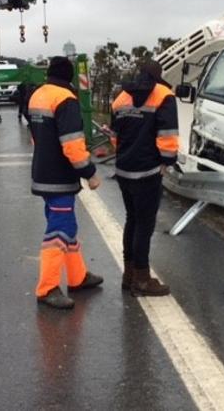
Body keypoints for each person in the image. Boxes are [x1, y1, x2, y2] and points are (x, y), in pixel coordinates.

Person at [29, 56, 103, 309]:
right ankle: (47, 288)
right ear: (70, 77)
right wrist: (89, 172)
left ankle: (77, 276)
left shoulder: (39, 95)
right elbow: (72, 145)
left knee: (66, 226)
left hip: (43, 172)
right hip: (59, 177)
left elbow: (36, 137)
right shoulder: (66, 100)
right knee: (60, 229)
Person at [110, 60, 178, 296]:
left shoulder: (121, 97)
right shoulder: (164, 95)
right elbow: (168, 134)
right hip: (148, 171)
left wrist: (123, 155)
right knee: (145, 224)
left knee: (132, 220)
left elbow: (114, 135)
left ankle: (128, 275)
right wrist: (167, 162)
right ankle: (141, 279)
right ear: (159, 75)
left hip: (124, 169)